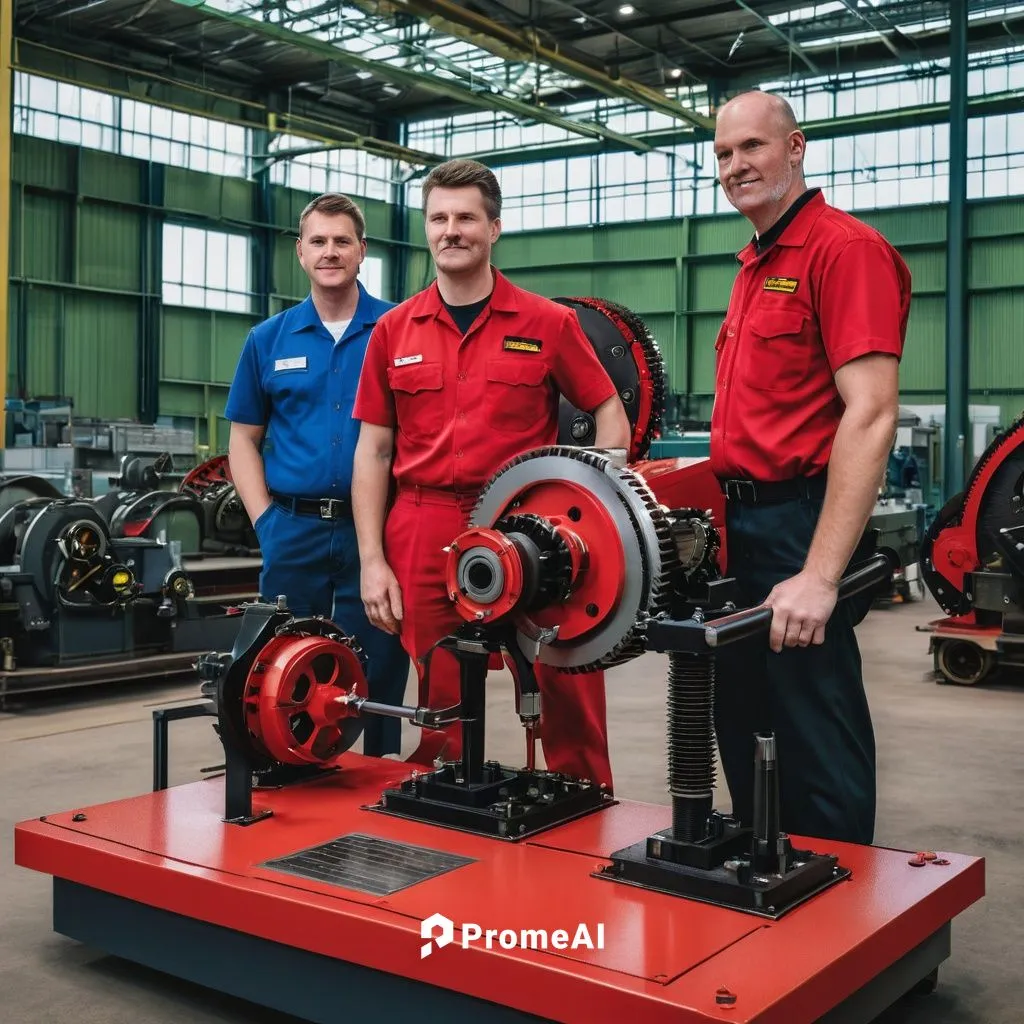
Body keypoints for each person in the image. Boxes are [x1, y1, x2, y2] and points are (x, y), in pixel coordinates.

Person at [351, 159, 630, 787]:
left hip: (531, 528)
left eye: (466, 218)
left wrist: (599, 504)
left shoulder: (547, 323)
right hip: (424, 526)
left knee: (568, 681)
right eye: (440, 218)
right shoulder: (394, 331)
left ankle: (585, 803)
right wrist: (373, 558)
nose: (452, 230)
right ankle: (444, 822)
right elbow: (372, 451)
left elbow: (608, 409)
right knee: (443, 703)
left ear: (494, 228)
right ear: (426, 229)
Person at [709, 91, 910, 846]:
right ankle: (770, 884)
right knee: (745, 725)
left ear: (796, 148)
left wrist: (820, 575)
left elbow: (870, 413)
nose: (737, 167)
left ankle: (847, 932)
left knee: (813, 733)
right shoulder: (754, 264)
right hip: (740, 526)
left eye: (753, 148)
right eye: (724, 155)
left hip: (802, 521)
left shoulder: (843, 250)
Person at [224, 193, 409, 758]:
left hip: (374, 534)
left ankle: (378, 770)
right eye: (319, 241)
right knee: (280, 665)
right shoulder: (268, 340)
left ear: (362, 252)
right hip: (293, 530)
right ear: (300, 252)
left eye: (342, 241)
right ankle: (291, 770)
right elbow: (243, 440)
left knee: (378, 659)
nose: (331, 252)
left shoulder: (399, 330)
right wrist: (266, 522)